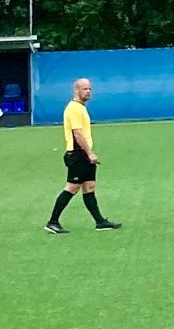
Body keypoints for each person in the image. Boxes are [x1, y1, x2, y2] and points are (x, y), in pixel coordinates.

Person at [44, 77, 121, 233]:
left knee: (89, 186)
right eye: (85, 89)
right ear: (77, 90)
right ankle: (52, 222)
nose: (88, 92)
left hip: (84, 155)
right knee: (72, 187)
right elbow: (77, 134)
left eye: (90, 89)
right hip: (78, 154)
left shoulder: (81, 107)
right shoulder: (73, 108)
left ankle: (100, 222)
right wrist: (90, 153)